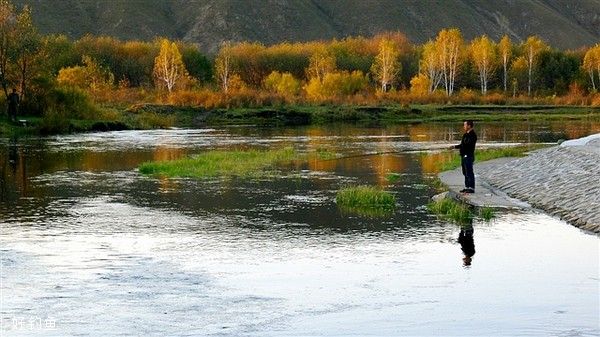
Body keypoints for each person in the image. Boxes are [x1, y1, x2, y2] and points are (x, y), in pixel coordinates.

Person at [452, 120, 477, 193]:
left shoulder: (473, 135)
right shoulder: (465, 135)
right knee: (465, 172)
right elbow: (462, 144)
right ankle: (467, 187)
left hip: (469, 155)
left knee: (469, 171)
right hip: (463, 155)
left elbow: (467, 145)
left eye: (465, 125)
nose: (464, 127)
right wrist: (454, 147)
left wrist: (462, 148)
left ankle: (471, 188)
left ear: (469, 126)